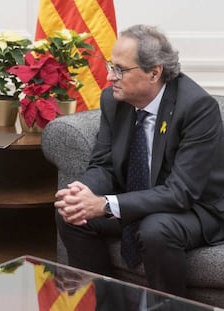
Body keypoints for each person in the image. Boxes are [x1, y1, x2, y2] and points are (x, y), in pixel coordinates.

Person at [55, 24, 224, 299]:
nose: (110, 76)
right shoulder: (114, 100)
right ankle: (106, 302)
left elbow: (181, 193)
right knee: (74, 215)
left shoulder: (196, 108)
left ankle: (168, 308)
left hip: (198, 207)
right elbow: (104, 165)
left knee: (156, 229)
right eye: (111, 65)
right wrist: (81, 192)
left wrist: (106, 204)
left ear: (154, 72)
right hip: (143, 197)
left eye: (120, 69)